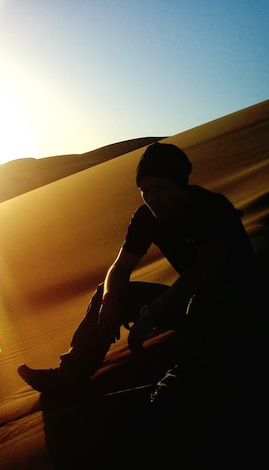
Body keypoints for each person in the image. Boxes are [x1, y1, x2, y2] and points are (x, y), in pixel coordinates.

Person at [18, 142, 266, 400]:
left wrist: (150, 315)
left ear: (180, 184)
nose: (151, 198)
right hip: (190, 304)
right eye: (144, 190)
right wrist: (110, 298)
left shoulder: (213, 208)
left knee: (206, 297)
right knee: (111, 292)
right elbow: (120, 266)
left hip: (241, 307)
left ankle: (185, 383)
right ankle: (68, 376)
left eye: (159, 188)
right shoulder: (146, 217)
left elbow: (204, 271)